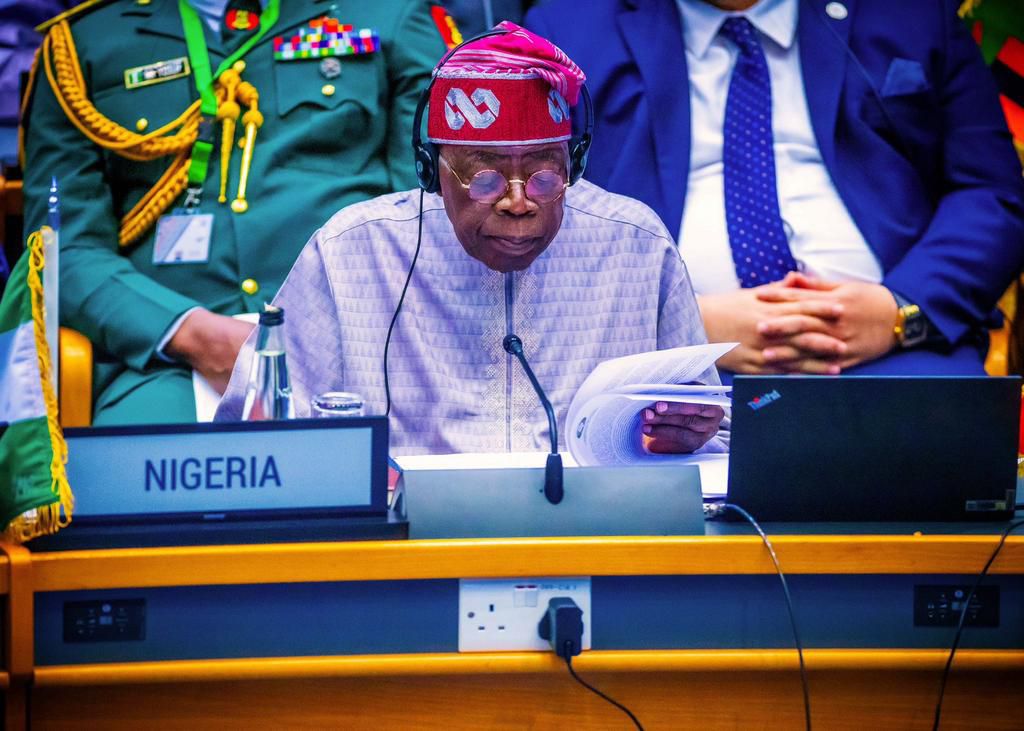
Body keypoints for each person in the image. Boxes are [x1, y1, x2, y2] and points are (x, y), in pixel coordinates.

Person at [217, 22, 727, 457]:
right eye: (484, 181)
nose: (518, 201)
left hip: (597, 538)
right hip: (406, 549)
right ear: (433, 171)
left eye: (547, 179)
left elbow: (715, 433)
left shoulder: (635, 244)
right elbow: (254, 441)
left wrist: (692, 434)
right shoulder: (351, 253)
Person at [525, 0, 1024, 377]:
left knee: (948, 478)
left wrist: (900, 309)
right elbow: (518, 215)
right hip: (657, 369)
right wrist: (674, 320)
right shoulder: (565, 30)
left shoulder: (910, 13)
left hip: (892, 352)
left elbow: (991, 193)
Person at [20, 0, 449, 424]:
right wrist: (192, 334)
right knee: (136, 480)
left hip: (364, 344)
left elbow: (430, 213)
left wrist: (358, 331)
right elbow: (62, 249)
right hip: (169, 360)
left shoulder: (390, 15)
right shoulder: (85, 44)